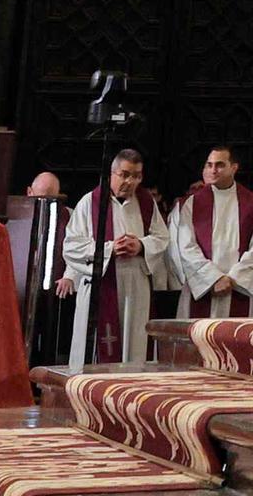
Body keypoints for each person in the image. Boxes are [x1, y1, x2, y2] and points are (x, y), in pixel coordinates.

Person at [55, 149, 168, 361]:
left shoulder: (145, 201)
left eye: (136, 175)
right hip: (102, 284)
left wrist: (141, 246)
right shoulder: (90, 202)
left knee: (133, 346)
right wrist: (110, 249)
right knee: (100, 346)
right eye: (125, 174)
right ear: (111, 174)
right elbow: (71, 246)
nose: (131, 181)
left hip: (136, 286)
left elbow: (162, 238)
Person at [167, 146, 253, 319]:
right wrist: (213, 279)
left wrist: (232, 279)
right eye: (209, 165)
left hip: (237, 288)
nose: (213, 170)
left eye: (220, 165)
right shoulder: (192, 203)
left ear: (234, 168)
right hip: (202, 288)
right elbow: (186, 246)